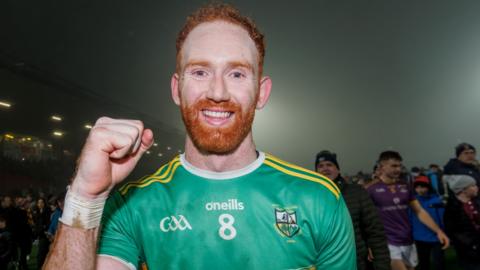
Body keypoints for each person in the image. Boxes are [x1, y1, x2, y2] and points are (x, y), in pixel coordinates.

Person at [43, 3, 356, 269]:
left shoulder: (319, 199)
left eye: (236, 74)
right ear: (176, 89)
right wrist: (85, 196)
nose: (217, 92)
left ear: (261, 93)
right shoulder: (134, 205)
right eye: (200, 72)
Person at [366, 151, 449, 270]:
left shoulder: (405, 186)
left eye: (399, 165)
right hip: (388, 242)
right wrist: (369, 243)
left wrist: (438, 231)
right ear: (382, 166)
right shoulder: (370, 189)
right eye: (394, 166)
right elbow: (364, 219)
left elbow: (419, 211)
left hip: (407, 239)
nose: (398, 169)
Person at [315, 150, 390, 270]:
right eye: (320, 166)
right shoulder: (310, 198)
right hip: (322, 263)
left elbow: (375, 231)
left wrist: (382, 265)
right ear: (316, 172)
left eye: (329, 165)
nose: (325, 169)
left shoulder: (356, 192)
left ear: (338, 169)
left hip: (356, 262)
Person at [444, 175, 480, 270]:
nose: (476, 187)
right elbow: (454, 231)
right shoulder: (453, 207)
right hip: (469, 250)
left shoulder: (475, 202)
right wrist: (472, 245)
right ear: (463, 190)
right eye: (473, 186)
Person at [410, 175, 445, 270]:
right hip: (419, 237)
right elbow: (409, 219)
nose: (420, 189)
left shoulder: (437, 200)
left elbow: (442, 218)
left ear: (428, 187)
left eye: (423, 187)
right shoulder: (412, 202)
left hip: (436, 237)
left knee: (439, 263)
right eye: (417, 187)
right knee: (423, 263)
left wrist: (443, 232)